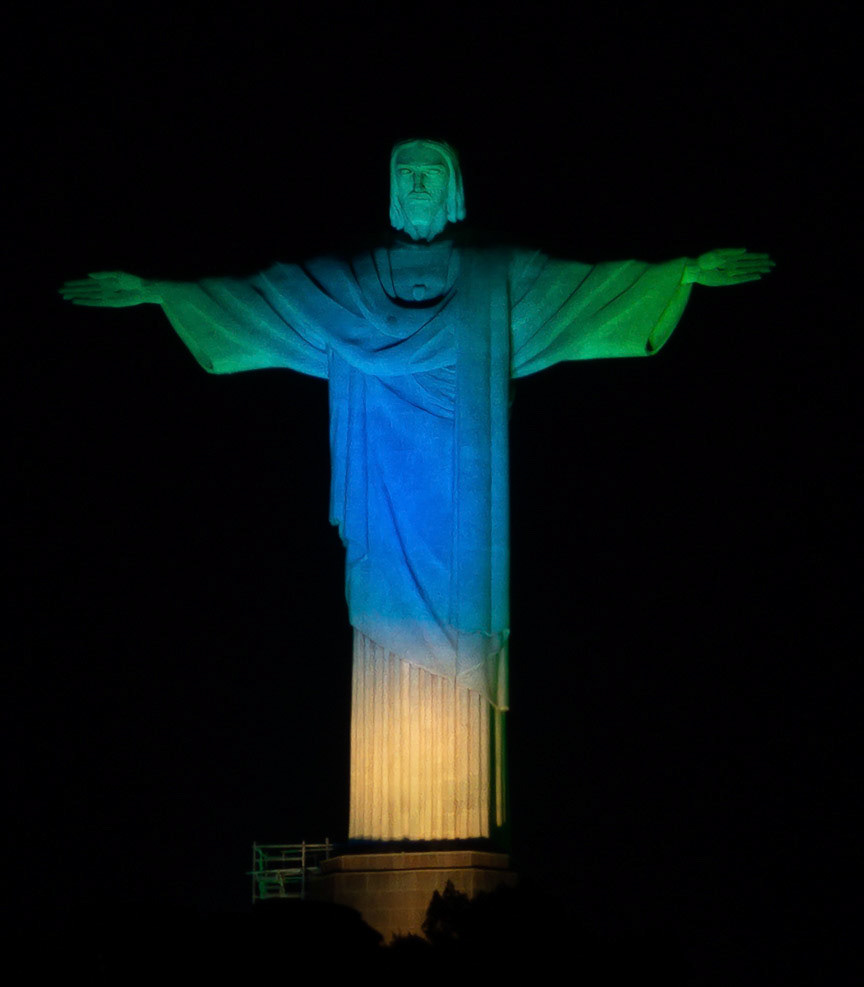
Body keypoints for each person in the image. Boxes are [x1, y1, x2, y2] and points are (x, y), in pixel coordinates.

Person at [60, 139, 774, 844]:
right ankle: (387, 834)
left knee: (465, 639)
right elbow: (263, 299)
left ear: (456, 186)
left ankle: (457, 839)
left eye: (435, 173)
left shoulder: (496, 278)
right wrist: (161, 292)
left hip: (464, 516)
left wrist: (678, 275)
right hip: (382, 507)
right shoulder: (349, 284)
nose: (423, 185)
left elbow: (586, 290)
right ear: (393, 188)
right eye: (410, 174)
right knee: (379, 623)